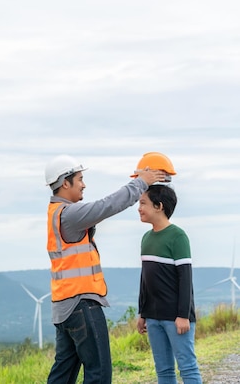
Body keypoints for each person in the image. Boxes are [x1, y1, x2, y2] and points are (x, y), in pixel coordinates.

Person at [44, 154, 166, 384]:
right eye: (80, 178)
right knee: (99, 373)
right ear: (65, 183)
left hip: (64, 307)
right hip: (81, 305)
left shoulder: (57, 214)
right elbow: (107, 206)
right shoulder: (70, 214)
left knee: (63, 374)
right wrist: (142, 181)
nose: (84, 184)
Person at [136, 184, 202, 383]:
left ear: (159, 206)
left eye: (143, 203)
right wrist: (142, 313)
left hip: (176, 317)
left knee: (187, 367)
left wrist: (183, 315)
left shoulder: (178, 236)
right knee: (163, 371)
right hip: (153, 317)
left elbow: (185, 278)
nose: (139, 208)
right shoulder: (146, 238)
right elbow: (144, 279)